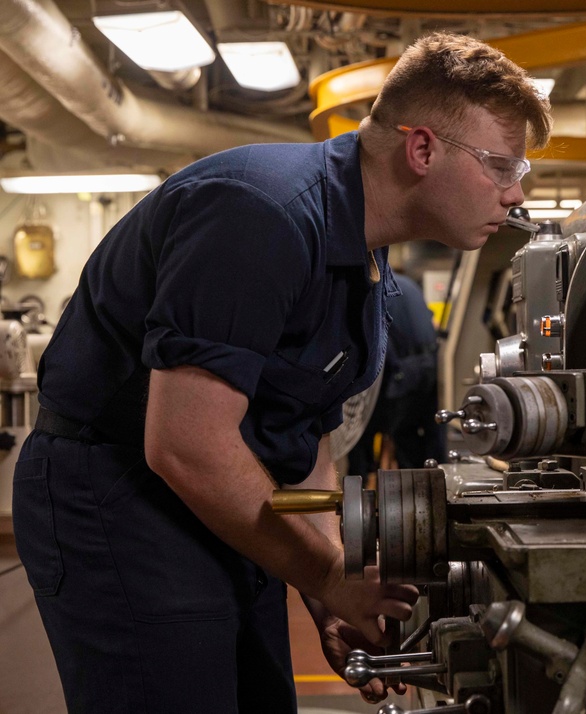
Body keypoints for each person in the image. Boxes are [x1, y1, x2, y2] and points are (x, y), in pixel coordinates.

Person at [11, 31, 551, 713]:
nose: (515, 194)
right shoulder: (260, 217)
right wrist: (326, 572)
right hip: (118, 495)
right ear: (421, 150)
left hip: (217, 491)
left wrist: (325, 592)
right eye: (501, 166)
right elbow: (184, 443)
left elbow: (303, 439)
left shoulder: (360, 261)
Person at [348, 273, 447, 478]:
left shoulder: (375, 286)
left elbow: (374, 340)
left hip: (402, 377)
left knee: (359, 431)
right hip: (431, 370)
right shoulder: (409, 284)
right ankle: (429, 484)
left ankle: (360, 483)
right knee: (419, 435)